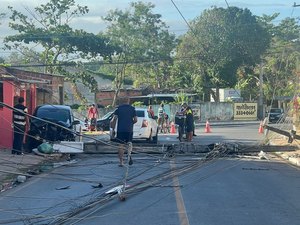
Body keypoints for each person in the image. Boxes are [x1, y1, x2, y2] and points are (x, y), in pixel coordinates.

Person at [110, 97, 137, 166]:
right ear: (128, 101)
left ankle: (121, 162)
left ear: (122, 101)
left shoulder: (118, 109)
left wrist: (112, 129)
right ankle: (129, 155)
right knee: (129, 143)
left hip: (120, 130)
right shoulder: (132, 109)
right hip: (129, 129)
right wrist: (131, 123)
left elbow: (114, 120)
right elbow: (135, 120)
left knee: (121, 145)